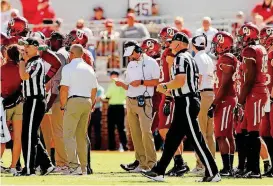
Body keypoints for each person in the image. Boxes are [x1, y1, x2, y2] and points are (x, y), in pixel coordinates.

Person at [141, 32, 220, 182]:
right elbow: (183, 82)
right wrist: (169, 90)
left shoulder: (181, 58)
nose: (169, 44)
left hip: (187, 101)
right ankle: (159, 170)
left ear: (179, 43)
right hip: (185, 100)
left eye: (172, 42)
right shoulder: (188, 57)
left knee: (196, 139)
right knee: (172, 138)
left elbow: (180, 80)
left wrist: (164, 86)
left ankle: (212, 172)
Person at [116, 40, 160, 172]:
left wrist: (141, 82)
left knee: (146, 132)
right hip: (130, 100)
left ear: (138, 50)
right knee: (134, 133)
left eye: (132, 54)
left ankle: (152, 164)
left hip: (144, 100)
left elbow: (157, 81)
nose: (130, 56)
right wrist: (122, 85)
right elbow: (129, 84)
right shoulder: (130, 64)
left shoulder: (152, 62)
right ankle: (141, 163)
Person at [234, 23, 268, 178]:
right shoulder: (260, 48)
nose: (240, 39)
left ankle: (255, 170)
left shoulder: (250, 50)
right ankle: (249, 167)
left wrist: (240, 101)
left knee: (253, 132)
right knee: (247, 131)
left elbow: (249, 79)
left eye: (242, 35)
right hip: (257, 91)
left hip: (254, 92)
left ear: (249, 35)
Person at [18, 37, 54, 176]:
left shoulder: (36, 63)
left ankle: (29, 169)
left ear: (35, 47)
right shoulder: (31, 62)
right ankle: (46, 164)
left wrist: (21, 60)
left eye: (28, 46)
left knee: (28, 135)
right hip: (30, 101)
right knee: (31, 135)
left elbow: (24, 76)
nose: (25, 48)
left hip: (34, 100)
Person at [60, 44, 97, 175]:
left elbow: (64, 89)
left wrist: (63, 106)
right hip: (87, 101)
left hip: (73, 101)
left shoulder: (68, 68)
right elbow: (94, 90)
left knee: (68, 135)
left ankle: (73, 166)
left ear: (72, 54)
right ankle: (84, 167)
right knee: (81, 136)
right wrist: (91, 104)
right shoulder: (89, 68)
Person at [208, 32, 237, 176]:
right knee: (227, 135)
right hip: (225, 99)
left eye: (217, 43)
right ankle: (229, 167)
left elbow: (225, 85)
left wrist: (215, 103)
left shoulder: (226, 58)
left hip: (225, 100)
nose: (215, 46)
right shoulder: (224, 58)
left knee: (221, 135)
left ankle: (227, 168)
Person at [191, 34, 216, 175]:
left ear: (194, 45)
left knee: (200, 131)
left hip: (201, 94)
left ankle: (201, 165)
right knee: (209, 132)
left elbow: (198, 79)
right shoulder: (208, 58)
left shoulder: (197, 58)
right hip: (210, 93)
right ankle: (210, 163)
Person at [46, 31, 69, 172]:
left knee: (58, 133)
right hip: (63, 97)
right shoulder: (65, 53)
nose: (50, 42)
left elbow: (58, 83)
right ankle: (65, 162)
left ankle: (63, 163)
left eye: (52, 40)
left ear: (59, 40)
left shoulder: (60, 55)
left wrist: (49, 103)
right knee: (63, 132)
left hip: (58, 98)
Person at [1, 44, 23, 176]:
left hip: (4, 104)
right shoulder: (21, 68)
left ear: (7, 54)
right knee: (17, 137)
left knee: (2, 136)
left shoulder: (2, 69)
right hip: (19, 103)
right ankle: (14, 166)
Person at [259, 26, 273, 177]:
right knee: (265, 133)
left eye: (264, 37)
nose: (262, 41)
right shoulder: (265, 54)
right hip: (266, 98)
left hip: (271, 97)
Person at [105, 70, 127, 151]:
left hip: (113, 107)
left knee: (111, 128)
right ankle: (125, 146)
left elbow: (107, 96)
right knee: (121, 128)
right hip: (121, 107)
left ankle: (112, 147)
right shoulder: (123, 84)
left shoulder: (111, 85)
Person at [88, 84, 104, 150]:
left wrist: (90, 102)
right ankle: (87, 148)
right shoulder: (88, 87)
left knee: (97, 129)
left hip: (96, 110)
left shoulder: (99, 88)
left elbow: (99, 98)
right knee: (87, 130)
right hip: (89, 109)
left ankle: (98, 148)